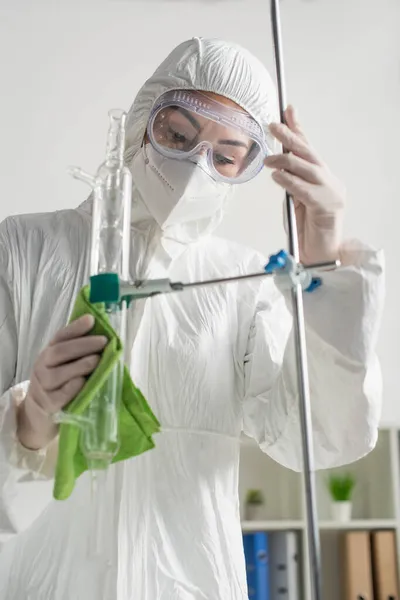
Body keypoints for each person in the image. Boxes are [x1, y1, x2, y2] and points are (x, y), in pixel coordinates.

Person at [0, 36, 384, 600]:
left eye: (226, 156)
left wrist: (323, 255)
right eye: (177, 135)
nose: (195, 166)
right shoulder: (24, 250)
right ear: (140, 120)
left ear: (247, 166)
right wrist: (29, 424)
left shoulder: (243, 283)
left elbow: (316, 439)